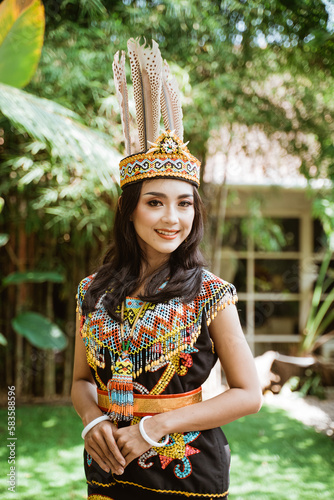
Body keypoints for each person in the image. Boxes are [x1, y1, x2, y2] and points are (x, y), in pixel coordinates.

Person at [71, 38, 262, 500]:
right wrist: (92, 419)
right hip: (110, 464)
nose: (171, 218)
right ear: (129, 211)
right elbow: (80, 382)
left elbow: (248, 394)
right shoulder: (91, 291)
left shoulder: (210, 293)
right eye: (154, 202)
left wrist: (155, 427)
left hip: (187, 471)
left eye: (183, 204)